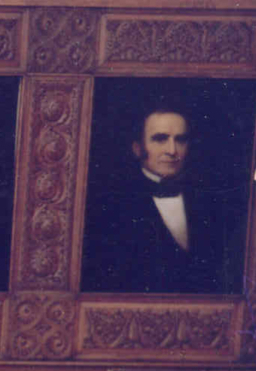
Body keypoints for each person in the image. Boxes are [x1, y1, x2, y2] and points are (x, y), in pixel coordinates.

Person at [81, 100, 237, 295]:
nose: (172, 150)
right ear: (138, 148)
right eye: (160, 139)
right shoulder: (112, 206)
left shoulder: (210, 203)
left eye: (180, 140)